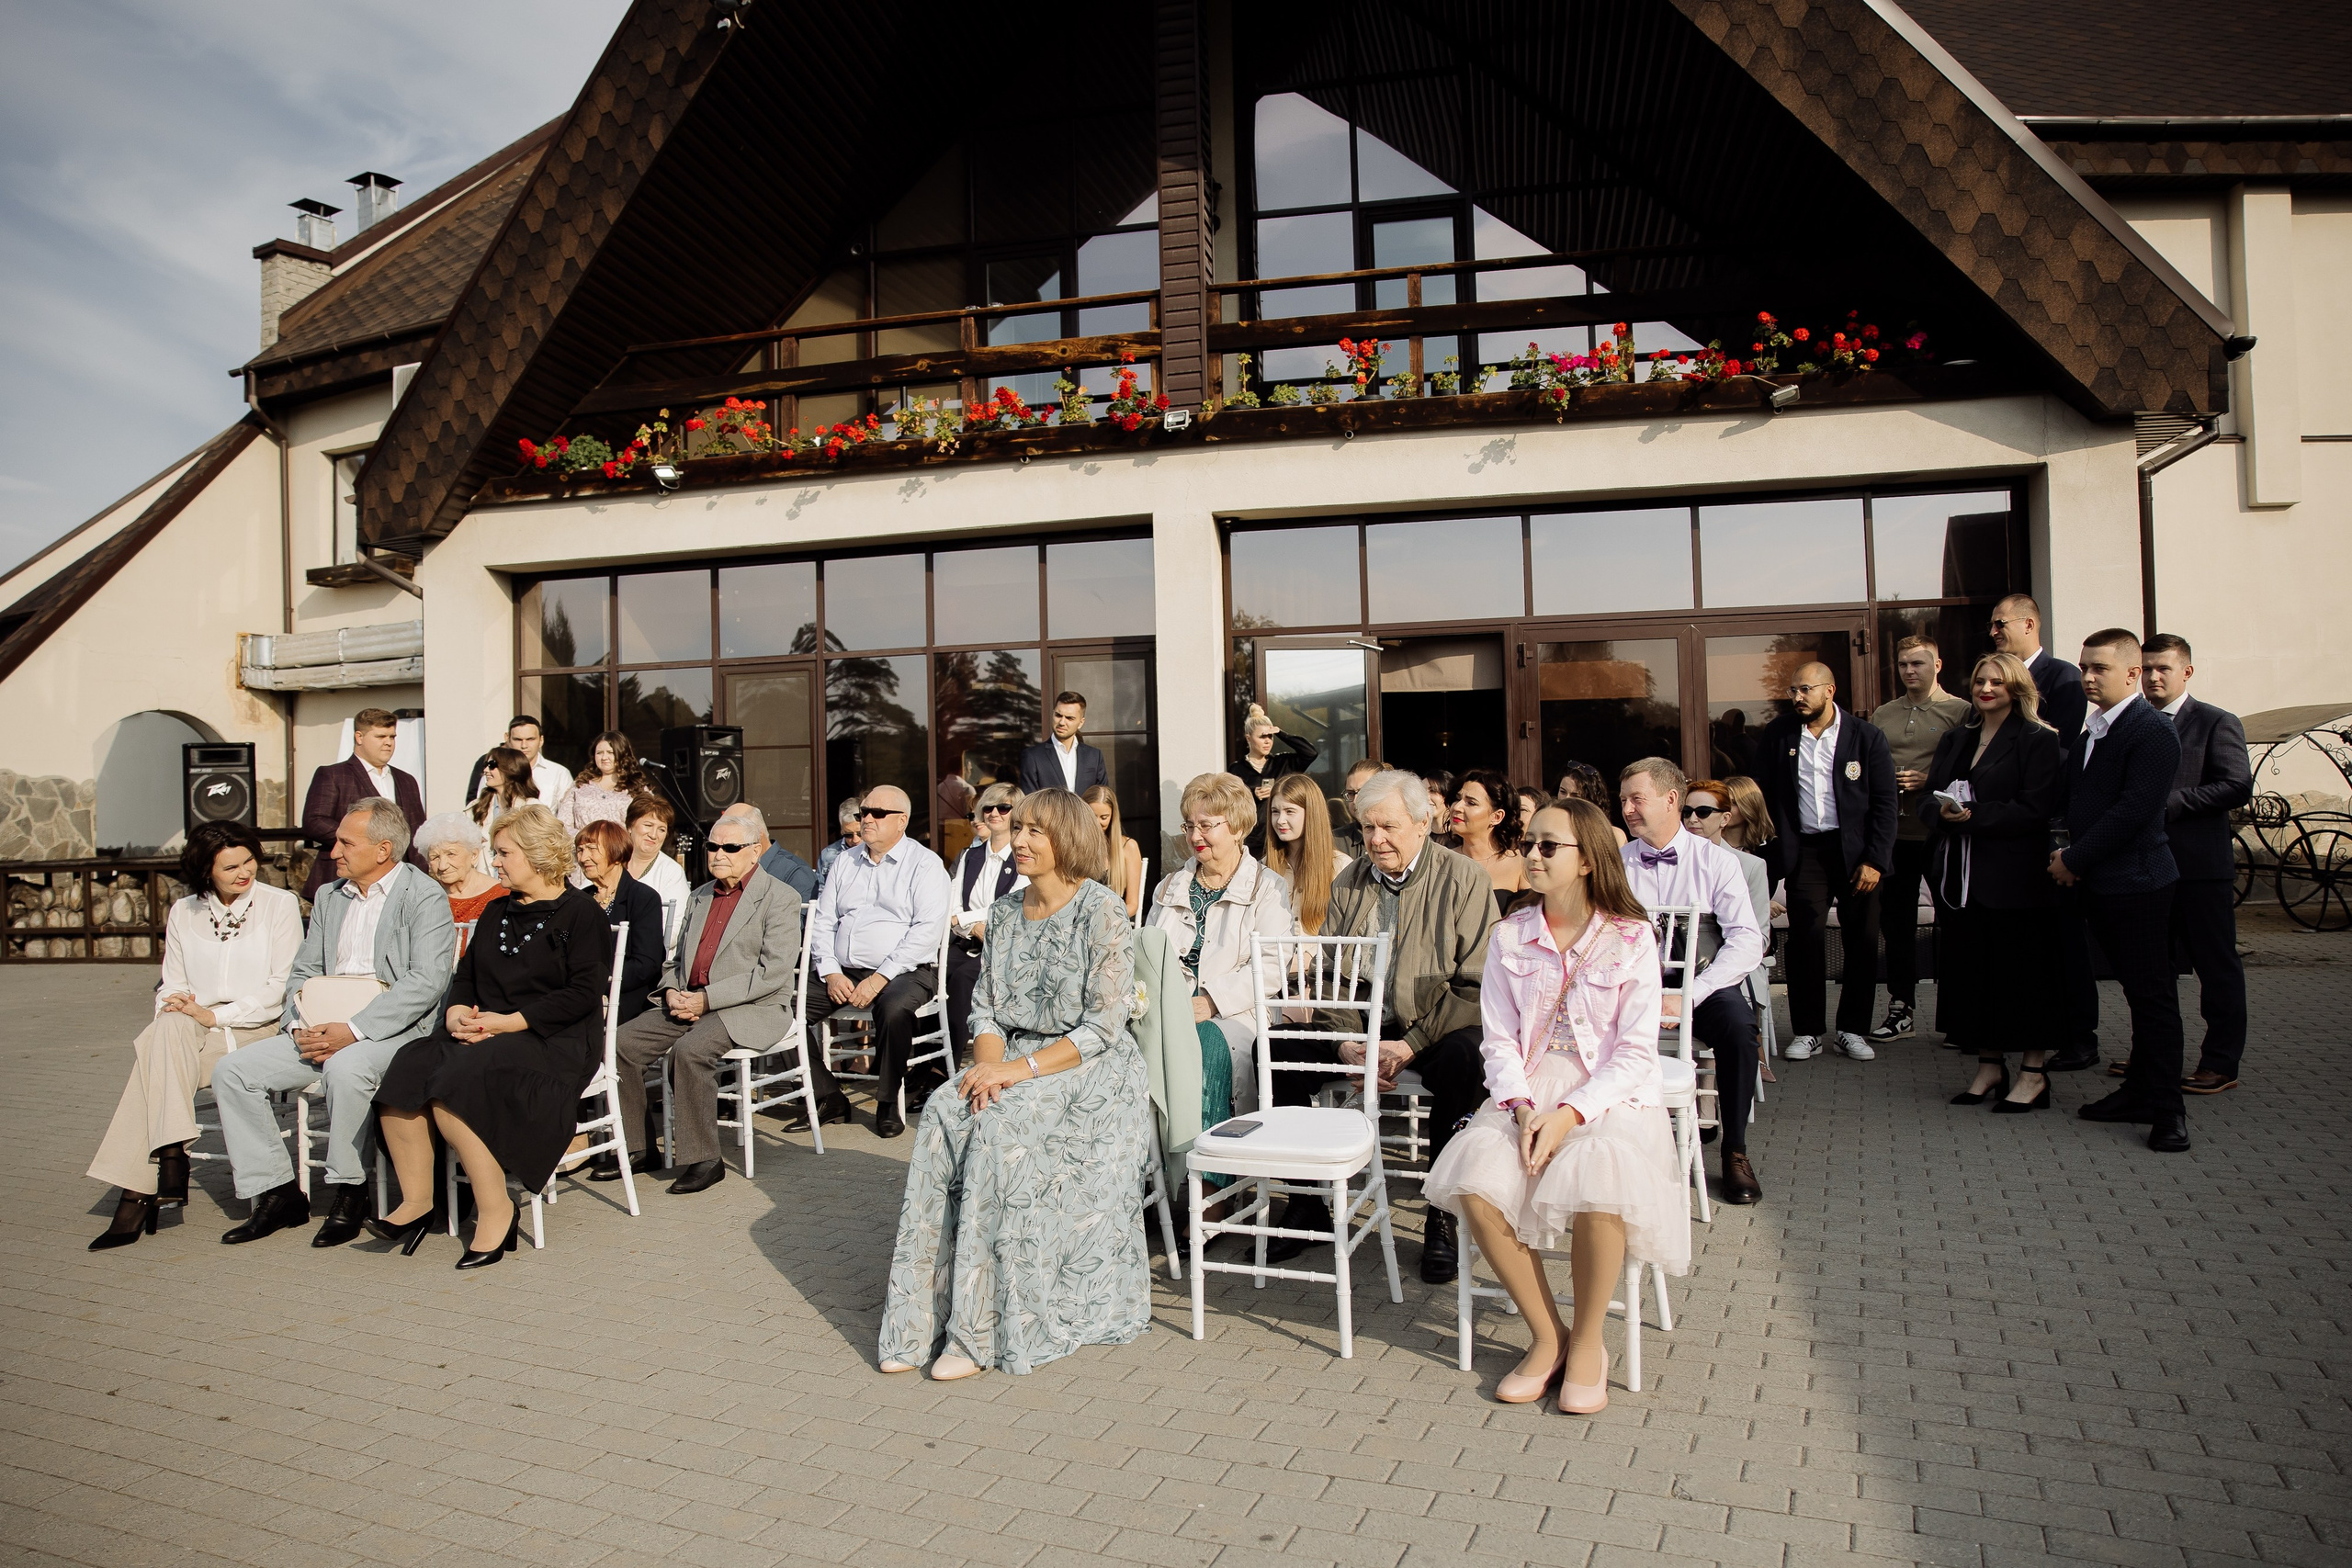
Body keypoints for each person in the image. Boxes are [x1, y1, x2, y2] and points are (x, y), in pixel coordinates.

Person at [1424, 799, 1688, 1414]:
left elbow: (1634, 1050)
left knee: (1602, 1176)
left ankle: (1590, 1342)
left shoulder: (1630, 936)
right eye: (1531, 843)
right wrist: (1518, 1108)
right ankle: (1549, 1337)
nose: (1533, 855)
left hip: (1607, 1092)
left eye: (1549, 846)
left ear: (1589, 859)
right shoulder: (1511, 932)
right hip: (1527, 1088)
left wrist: (1569, 1112)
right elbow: (1498, 1038)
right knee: (1476, 1179)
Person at [876, 789, 1150, 1379]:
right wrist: (985, 1069)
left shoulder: (1102, 911)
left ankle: (979, 1334)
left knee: (1001, 1125)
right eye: (1016, 828)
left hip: (1090, 1068)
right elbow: (987, 1011)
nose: (1018, 841)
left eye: (1034, 831)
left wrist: (1015, 1072)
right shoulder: (1002, 913)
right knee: (947, 1110)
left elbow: (1105, 1025)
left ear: (1069, 839)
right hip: (1015, 1058)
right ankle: (918, 1321)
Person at [1268, 768, 1496, 1283]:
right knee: (1280, 1047)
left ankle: (1442, 1213)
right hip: (1362, 1026)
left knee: (1468, 1059)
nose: (1376, 839)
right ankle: (1306, 1198)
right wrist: (1350, 1043)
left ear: (1423, 823)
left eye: (1389, 827)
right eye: (1368, 828)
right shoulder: (1349, 881)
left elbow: (1475, 986)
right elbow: (1330, 972)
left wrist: (1407, 1045)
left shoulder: (1464, 879)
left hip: (1433, 1027)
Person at [209, 799, 457, 1247]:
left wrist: (354, 1030)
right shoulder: (329, 895)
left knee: (347, 1068)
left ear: (383, 849)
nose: (333, 851)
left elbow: (427, 981)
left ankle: (349, 1190)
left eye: (346, 842)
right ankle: (277, 1192)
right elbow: (303, 970)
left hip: (397, 1031)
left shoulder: (424, 895)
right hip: (322, 1026)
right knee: (233, 1071)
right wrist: (298, 1025)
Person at [371, 806, 612, 1266]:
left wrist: (508, 1022)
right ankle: (419, 1201)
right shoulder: (496, 909)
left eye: (503, 853)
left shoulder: (582, 914)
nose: (494, 862)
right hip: (488, 1031)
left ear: (539, 855)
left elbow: (582, 995)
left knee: (457, 1080)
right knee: (409, 1064)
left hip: (554, 1040)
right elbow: (466, 976)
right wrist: (458, 1013)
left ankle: (496, 1207)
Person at [84, 821, 304, 1250]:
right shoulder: (184, 911)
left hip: (255, 1027)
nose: (245, 872)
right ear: (206, 871)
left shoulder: (279, 904)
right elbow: (171, 984)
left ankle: (147, 1184)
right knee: (166, 1026)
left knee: (154, 1059)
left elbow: (281, 987)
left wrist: (214, 1016)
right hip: (190, 1030)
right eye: (230, 867)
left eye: (248, 861)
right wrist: (179, 1008)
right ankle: (167, 1159)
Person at [608, 805, 806, 1190]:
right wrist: (670, 992)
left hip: (752, 1006)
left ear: (755, 851)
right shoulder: (700, 895)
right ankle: (639, 1148)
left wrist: (706, 999)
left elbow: (772, 974)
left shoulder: (779, 897)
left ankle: (704, 1159)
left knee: (690, 1051)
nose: (718, 854)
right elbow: (675, 960)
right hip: (690, 1000)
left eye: (729, 848)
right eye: (712, 846)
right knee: (621, 1045)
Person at [2061, 630, 2190, 1153]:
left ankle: (2168, 1112)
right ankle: (2138, 1092)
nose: (2087, 677)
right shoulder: (2092, 728)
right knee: (2137, 997)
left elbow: (2135, 812)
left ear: (2133, 673)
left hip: (2139, 884)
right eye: (2084, 668)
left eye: (2099, 669)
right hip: (2100, 885)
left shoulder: (2152, 730)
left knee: (2153, 998)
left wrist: (2072, 858)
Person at [1618, 759, 1767, 1204]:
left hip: (1702, 984)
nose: (1626, 808)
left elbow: (1746, 939)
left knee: (1740, 1032)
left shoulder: (1716, 862)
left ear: (1670, 800)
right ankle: (1624, 1147)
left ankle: (1735, 1149)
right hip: (1632, 987)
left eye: (1636, 798)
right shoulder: (1617, 862)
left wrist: (1690, 994)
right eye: (1622, 799)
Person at [1922, 654, 2064, 1111]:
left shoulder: (2037, 739)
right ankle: (1988, 1067)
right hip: (1961, 880)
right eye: (1980, 680)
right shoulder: (1956, 737)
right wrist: (1940, 813)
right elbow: (1929, 796)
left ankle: (2033, 1074)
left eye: (1996, 682)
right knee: (1973, 975)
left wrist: (1973, 816)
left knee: (2022, 977)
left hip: (2016, 878)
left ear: (2017, 687)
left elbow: (2035, 808)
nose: (1985, 689)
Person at [1755, 663, 1897, 1063]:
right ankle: (1808, 1031)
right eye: (1793, 690)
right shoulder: (1779, 734)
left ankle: (1852, 1030)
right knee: (1806, 941)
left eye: (1805, 689)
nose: (1797, 697)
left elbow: (1886, 805)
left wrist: (1875, 860)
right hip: (1806, 854)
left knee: (1862, 942)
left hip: (1856, 855)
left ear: (1830, 690)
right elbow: (1762, 791)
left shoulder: (1866, 737)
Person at [1145, 773, 1298, 1124]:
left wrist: (1210, 1000)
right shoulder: (1170, 886)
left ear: (1237, 828)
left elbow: (1273, 965)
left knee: (1204, 1046)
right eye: (1188, 825)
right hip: (1168, 1012)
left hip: (1236, 1014)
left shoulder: (1267, 887)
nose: (1194, 836)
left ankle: (1214, 1175)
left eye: (1206, 826)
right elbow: (1148, 955)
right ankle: (1155, 1169)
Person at [802, 784, 952, 1138]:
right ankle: (829, 1095)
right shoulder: (844, 861)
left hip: (906, 969)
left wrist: (879, 978)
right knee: (779, 1008)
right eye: (863, 812)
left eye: (877, 813)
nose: (866, 818)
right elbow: (822, 922)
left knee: (894, 1008)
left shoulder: (925, 864)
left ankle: (887, 1103)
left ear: (901, 821)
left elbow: (926, 932)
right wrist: (830, 970)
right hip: (844, 970)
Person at [1993, 592, 2100, 1070]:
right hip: (2016, 831)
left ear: (2030, 624)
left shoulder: (2063, 680)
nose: (1994, 632)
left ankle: (2079, 1036)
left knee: (2065, 940)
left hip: (2053, 827)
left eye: (2001, 624)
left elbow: (2061, 754)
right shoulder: (2001, 683)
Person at [2142, 634, 2252, 1094]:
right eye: (2146, 669)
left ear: (2187, 671)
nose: (2153, 677)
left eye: (2163, 668)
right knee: (2152, 969)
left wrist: (2172, 803)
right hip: (2147, 867)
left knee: (2215, 965)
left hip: (2200, 867)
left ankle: (2221, 1062)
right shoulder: (2134, 723)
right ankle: (2154, 1054)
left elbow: (2236, 785)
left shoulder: (2215, 722)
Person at [1867, 637, 1969, 1042]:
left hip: (1942, 834)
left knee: (1953, 924)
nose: (1911, 671)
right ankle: (1900, 1010)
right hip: (1895, 835)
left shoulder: (1960, 710)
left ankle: (1960, 1016)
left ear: (1937, 664)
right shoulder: (1883, 713)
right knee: (1897, 926)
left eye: (1919, 663)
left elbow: (1971, 770)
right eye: (1904, 664)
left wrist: (1932, 781)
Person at [1679, 779, 1773, 1068]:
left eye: (1703, 811)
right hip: (1679, 964)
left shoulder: (1750, 866)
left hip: (1731, 966)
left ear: (1725, 818)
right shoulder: (1670, 860)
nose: (1693, 819)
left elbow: (1758, 937)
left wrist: (1719, 961)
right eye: (1686, 811)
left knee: (1730, 1016)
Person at [300, 707, 427, 897]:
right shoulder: (334, 775)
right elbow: (314, 821)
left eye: (392, 737)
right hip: (343, 881)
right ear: (359, 737)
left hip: (398, 881)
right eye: (380, 736)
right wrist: (361, 842)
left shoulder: (406, 780)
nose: (388, 743)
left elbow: (417, 832)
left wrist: (422, 878)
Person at [944, 783, 1027, 1069]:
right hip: (966, 940)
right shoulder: (970, 855)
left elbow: (1007, 905)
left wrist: (964, 919)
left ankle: (946, 1066)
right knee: (929, 972)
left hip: (1003, 946)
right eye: (989, 807)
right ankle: (924, 1061)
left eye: (1003, 808)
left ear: (1016, 814)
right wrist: (969, 926)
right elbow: (952, 903)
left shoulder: (1023, 856)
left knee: (963, 978)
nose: (994, 813)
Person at [574, 819, 666, 1024]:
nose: (583, 857)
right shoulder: (580, 900)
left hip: (627, 996)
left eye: (591, 849)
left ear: (615, 852)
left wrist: (598, 984)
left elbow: (646, 964)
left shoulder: (643, 898)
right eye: (579, 850)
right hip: (581, 993)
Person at [1264, 773, 1350, 934]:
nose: (1280, 820)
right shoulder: (1263, 868)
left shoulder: (1341, 867)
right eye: (1275, 811)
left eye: (1290, 811)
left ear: (1311, 813)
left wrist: (1311, 955)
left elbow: (1347, 929)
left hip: (1321, 959)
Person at [413, 813, 507, 956]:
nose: (443, 866)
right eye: (435, 857)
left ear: (474, 855)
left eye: (451, 854)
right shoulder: (424, 898)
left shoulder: (502, 897)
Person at [1449, 768, 1529, 913]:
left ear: (1497, 817)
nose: (1457, 807)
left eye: (1471, 803)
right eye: (1458, 799)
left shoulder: (1521, 865)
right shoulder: (1441, 861)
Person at [623, 795, 691, 948]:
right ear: (630, 826)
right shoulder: (612, 863)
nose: (653, 835)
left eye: (661, 829)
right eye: (648, 825)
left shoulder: (671, 872)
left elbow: (676, 929)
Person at [555, 730, 649, 839]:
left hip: (622, 851)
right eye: (599, 753)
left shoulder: (637, 787)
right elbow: (562, 825)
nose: (604, 757)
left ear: (622, 753)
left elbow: (647, 825)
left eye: (610, 752)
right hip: (584, 848)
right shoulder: (580, 785)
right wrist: (589, 839)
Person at [472, 715, 574, 814]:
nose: (524, 745)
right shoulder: (493, 772)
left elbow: (567, 816)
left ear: (541, 740)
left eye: (530, 739)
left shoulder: (559, 773)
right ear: (507, 738)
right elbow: (481, 809)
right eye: (518, 739)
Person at [721, 800, 818, 901]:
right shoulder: (727, 872)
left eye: (732, 845)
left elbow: (798, 916)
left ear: (758, 835)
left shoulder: (795, 873)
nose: (721, 853)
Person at [1017, 692, 1109, 796]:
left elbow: (1102, 798)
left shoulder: (1094, 756)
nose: (1062, 722)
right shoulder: (1033, 756)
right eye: (1058, 715)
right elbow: (1030, 802)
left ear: (1081, 723)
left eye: (1069, 718)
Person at [1083, 784, 1145, 920]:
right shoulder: (1074, 847)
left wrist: (1106, 919)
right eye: (1092, 816)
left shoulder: (1128, 847)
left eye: (1104, 817)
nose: (1097, 823)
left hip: (1113, 923)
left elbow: (1132, 905)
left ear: (1113, 816)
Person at [469, 747, 540, 855]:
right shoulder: (475, 808)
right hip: (483, 871)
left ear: (511, 768)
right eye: (486, 765)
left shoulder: (532, 807)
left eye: (492, 765)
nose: (486, 770)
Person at [1556, 761, 1629, 846]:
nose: (1566, 799)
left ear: (1590, 800)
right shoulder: (1547, 827)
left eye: (1575, 795)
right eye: (1562, 792)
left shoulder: (1613, 836)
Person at [1333, 755, 1386, 855]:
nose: (1355, 801)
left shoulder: (1402, 835)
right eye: (1351, 793)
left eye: (1363, 792)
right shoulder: (1334, 841)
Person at [815, 796, 863, 895]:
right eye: (848, 835)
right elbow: (821, 892)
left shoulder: (878, 851)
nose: (855, 840)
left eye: (860, 833)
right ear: (841, 830)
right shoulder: (828, 854)